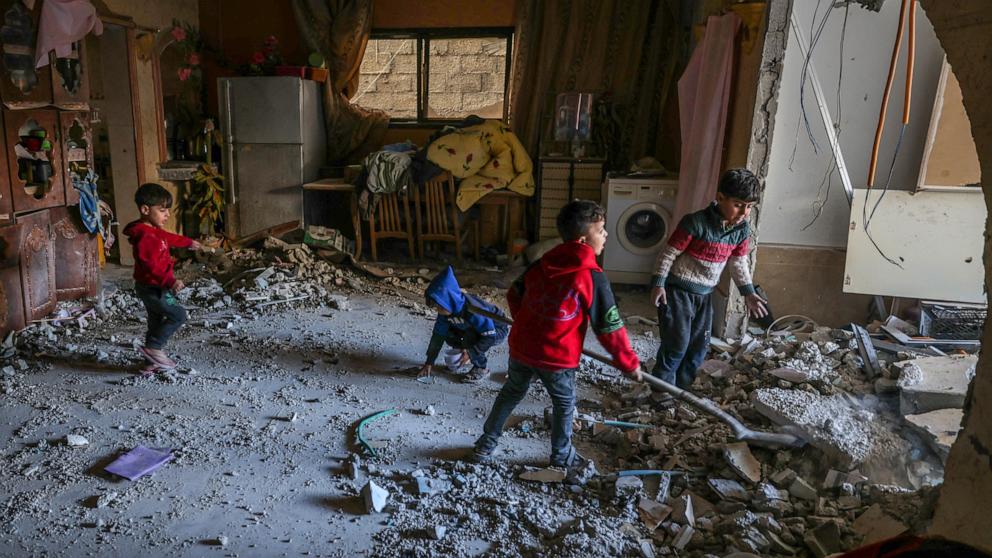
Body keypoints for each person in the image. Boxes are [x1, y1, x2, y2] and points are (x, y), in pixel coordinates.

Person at [474, 200, 642, 468]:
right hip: (558, 359)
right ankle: (561, 456)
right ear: (584, 239)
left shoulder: (542, 263)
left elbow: (514, 293)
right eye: (601, 230)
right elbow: (609, 327)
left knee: (511, 393)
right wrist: (628, 363)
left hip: (523, 347)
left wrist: (528, 323)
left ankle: (485, 444)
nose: (606, 235)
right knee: (564, 404)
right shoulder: (592, 277)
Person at [650, 168, 768, 389]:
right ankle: (660, 390)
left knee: (698, 347)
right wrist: (658, 284)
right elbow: (668, 254)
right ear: (720, 197)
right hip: (678, 292)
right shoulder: (695, 222)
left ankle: (682, 390)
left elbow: (738, 263)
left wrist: (748, 293)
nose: (744, 212)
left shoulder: (741, 230)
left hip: (705, 295)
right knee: (676, 344)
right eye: (738, 204)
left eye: (749, 207)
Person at [123, 183, 201, 373]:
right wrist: (170, 281)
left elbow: (170, 238)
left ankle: (151, 361)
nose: (167, 215)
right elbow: (151, 266)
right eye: (162, 210)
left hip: (152, 286)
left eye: (168, 210)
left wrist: (188, 243)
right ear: (145, 209)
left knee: (156, 321)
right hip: (154, 287)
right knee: (178, 315)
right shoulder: (145, 236)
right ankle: (154, 348)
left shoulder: (154, 231)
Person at [419, 266, 508, 383]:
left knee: (471, 338)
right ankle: (460, 358)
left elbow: (489, 336)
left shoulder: (473, 310)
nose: (437, 310)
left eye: (439, 306)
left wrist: (471, 353)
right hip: (473, 328)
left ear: (449, 300)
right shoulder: (445, 312)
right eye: (435, 307)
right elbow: (437, 336)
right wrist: (429, 362)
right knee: (448, 333)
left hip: (496, 330)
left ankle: (481, 368)